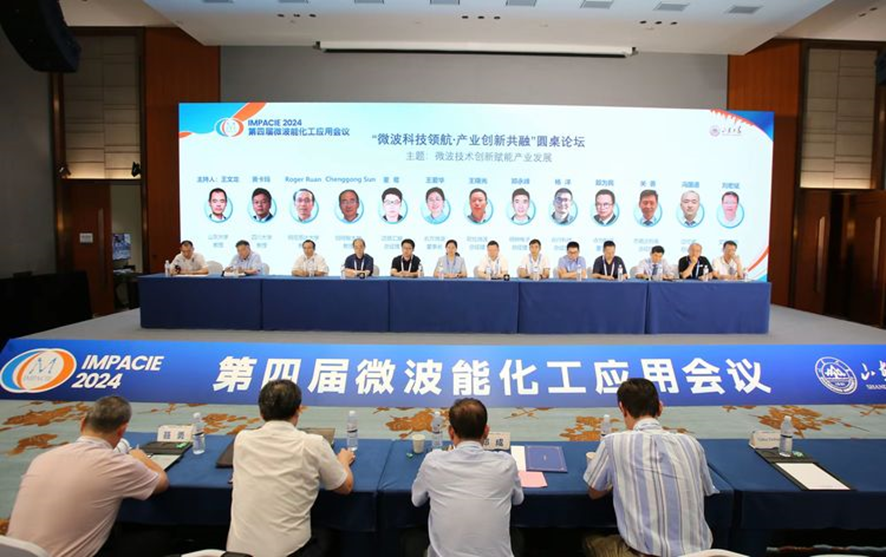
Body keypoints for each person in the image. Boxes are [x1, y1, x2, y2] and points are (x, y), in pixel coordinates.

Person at [8, 396, 168, 557]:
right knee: (165, 536)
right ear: (122, 430)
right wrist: (142, 458)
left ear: (82, 423)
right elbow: (161, 483)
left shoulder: (42, 458)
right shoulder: (118, 464)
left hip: (13, 552)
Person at [583, 378, 717, 557]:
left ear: (622, 408)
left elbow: (594, 492)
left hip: (643, 553)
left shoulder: (613, 442)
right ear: (660, 408)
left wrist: (618, 480)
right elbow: (706, 490)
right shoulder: (691, 443)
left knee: (589, 540)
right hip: (702, 553)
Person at [228, 380, 354, 557]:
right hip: (290, 553)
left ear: (261, 413)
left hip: (235, 553)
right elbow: (345, 486)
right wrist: (343, 461)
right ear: (298, 409)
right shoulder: (313, 444)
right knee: (330, 533)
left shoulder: (242, 439)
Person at [411, 398, 524, 557]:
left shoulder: (433, 461)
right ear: (486, 431)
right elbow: (518, 500)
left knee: (410, 539)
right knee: (517, 537)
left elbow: (416, 501)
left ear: (451, 432)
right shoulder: (506, 463)